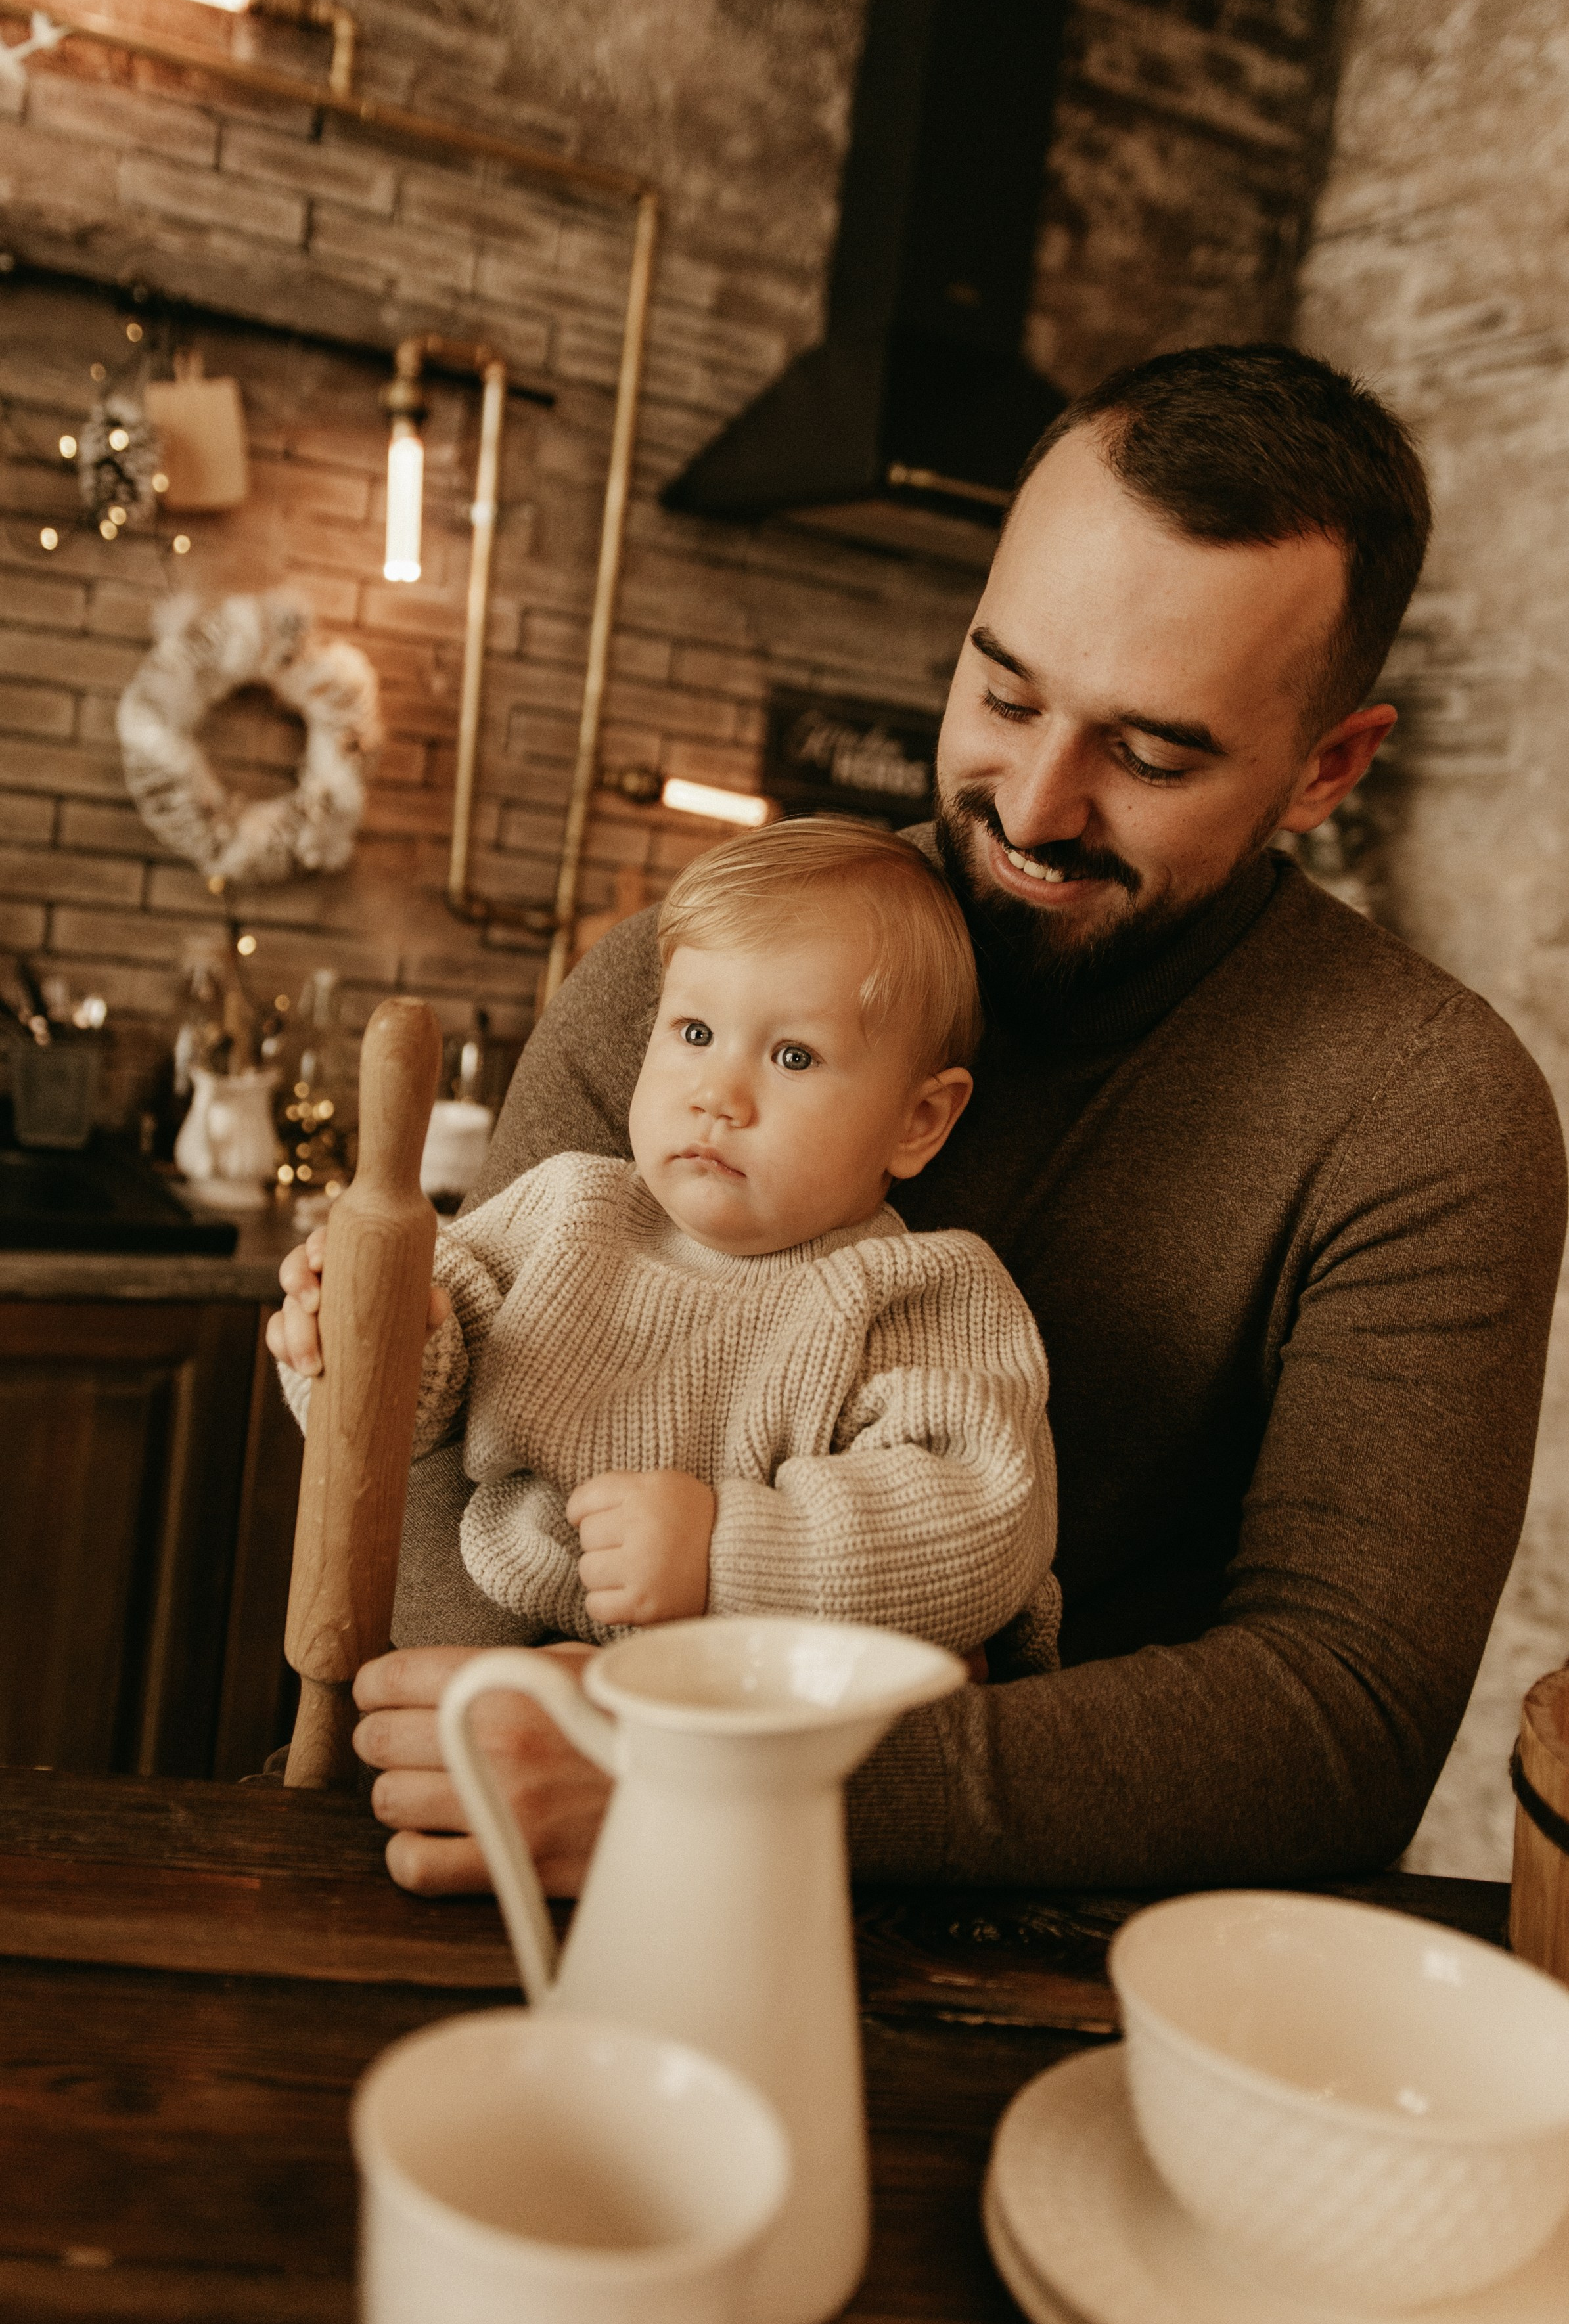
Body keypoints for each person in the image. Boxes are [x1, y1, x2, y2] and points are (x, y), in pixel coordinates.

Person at [347, 341, 1567, 1900]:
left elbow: (1336, 1724)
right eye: (1003, 692)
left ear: (1328, 766)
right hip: (504, 1875)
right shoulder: (695, 983)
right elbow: (449, 1495)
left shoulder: (1428, 1114)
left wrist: (723, 1777)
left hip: (1075, 1971)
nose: (1038, 803)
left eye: (1151, 752)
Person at [269, 820, 1060, 1672]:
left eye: (794, 1054)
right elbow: (398, 1403)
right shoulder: (566, 1208)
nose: (717, 1094)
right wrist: (357, 1329)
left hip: (758, 1725)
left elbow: (985, 1519)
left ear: (919, 1121)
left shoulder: (918, 1292)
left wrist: (724, 1551)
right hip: (489, 1678)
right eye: (693, 1032)